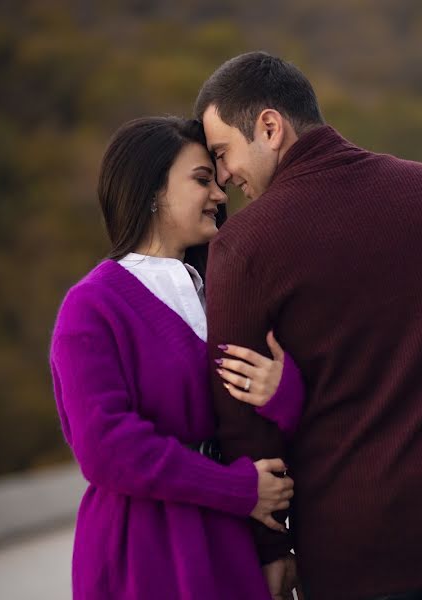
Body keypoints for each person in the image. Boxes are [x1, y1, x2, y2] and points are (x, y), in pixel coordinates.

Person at [196, 52, 422, 600]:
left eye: (222, 153)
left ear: (269, 126)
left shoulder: (243, 248)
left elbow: (242, 422)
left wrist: (272, 551)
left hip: (352, 555)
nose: (222, 176)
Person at [49, 116, 305, 599]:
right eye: (202, 180)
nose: (220, 195)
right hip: (144, 551)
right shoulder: (91, 307)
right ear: (151, 190)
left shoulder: (229, 293)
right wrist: (236, 490)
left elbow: (273, 421)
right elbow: (106, 447)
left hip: (232, 542)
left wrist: (283, 391)